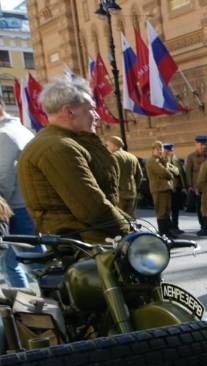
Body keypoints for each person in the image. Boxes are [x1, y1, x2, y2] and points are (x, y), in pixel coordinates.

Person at [16, 77, 129, 243]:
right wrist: (130, 232)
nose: (97, 115)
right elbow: (91, 208)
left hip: (91, 242)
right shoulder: (58, 147)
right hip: (85, 248)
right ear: (69, 112)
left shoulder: (67, 142)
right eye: (90, 109)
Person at [0, 105, 35, 286]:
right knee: (34, 259)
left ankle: (25, 305)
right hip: (25, 203)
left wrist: (1, 208)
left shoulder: (4, 133)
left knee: (11, 264)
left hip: (13, 207)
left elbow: (3, 176)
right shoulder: (21, 129)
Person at [146, 141, 181, 236]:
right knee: (161, 211)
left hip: (166, 188)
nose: (160, 151)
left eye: (161, 149)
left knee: (166, 211)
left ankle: (167, 231)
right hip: (158, 189)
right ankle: (163, 232)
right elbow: (164, 173)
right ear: (153, 150)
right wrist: (170, 173)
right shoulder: (153, 161)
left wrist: (168, 169)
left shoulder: (162, 161)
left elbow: (177, 171)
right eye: (157, 149)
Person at [105, 135, 143, 220]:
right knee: (131, 218)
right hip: (132, 193)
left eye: (108, 145)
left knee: (120, 219)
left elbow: (110, 176)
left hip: (119, 194)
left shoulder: (112, 157)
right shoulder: (132, 157)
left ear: (114, 145)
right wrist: (135, 187)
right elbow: (139, 175)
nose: (106, 147)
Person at [184, 136, 207, 232]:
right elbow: (188, 172)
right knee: (199, 208)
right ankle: (203, 227)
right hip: (196, 186)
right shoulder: (191, 156)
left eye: (205, 144)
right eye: (201, 145)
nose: (204, 147)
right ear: (196, 144)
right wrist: (189, 185)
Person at [164, 143, 186, 233]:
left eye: (172, 150)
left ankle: (175, 226)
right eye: (169, 151)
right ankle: (169, 227)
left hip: (177, 188)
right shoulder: (164, 161)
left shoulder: (176, 160)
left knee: (175, 209)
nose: (171, 152)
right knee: (168, 209)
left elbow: (181, 174)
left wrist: (184, 186)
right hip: (169, 188)